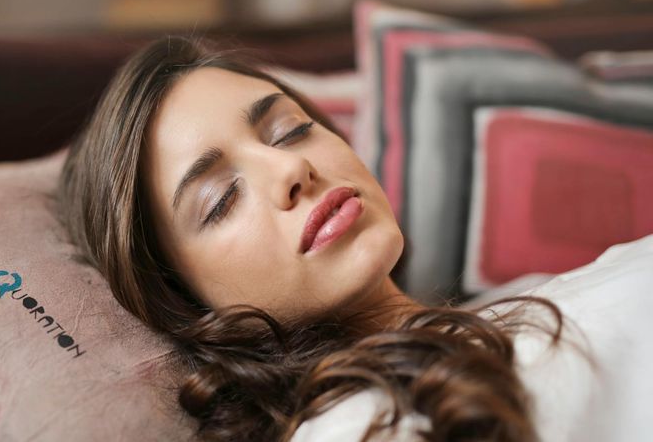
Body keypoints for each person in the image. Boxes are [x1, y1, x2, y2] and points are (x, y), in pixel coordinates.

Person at [56, 36, 651, 442]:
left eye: (289, 131)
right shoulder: (359, 425)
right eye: (221, 200)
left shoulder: (524, 299)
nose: (291, 168)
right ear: (186, 301)